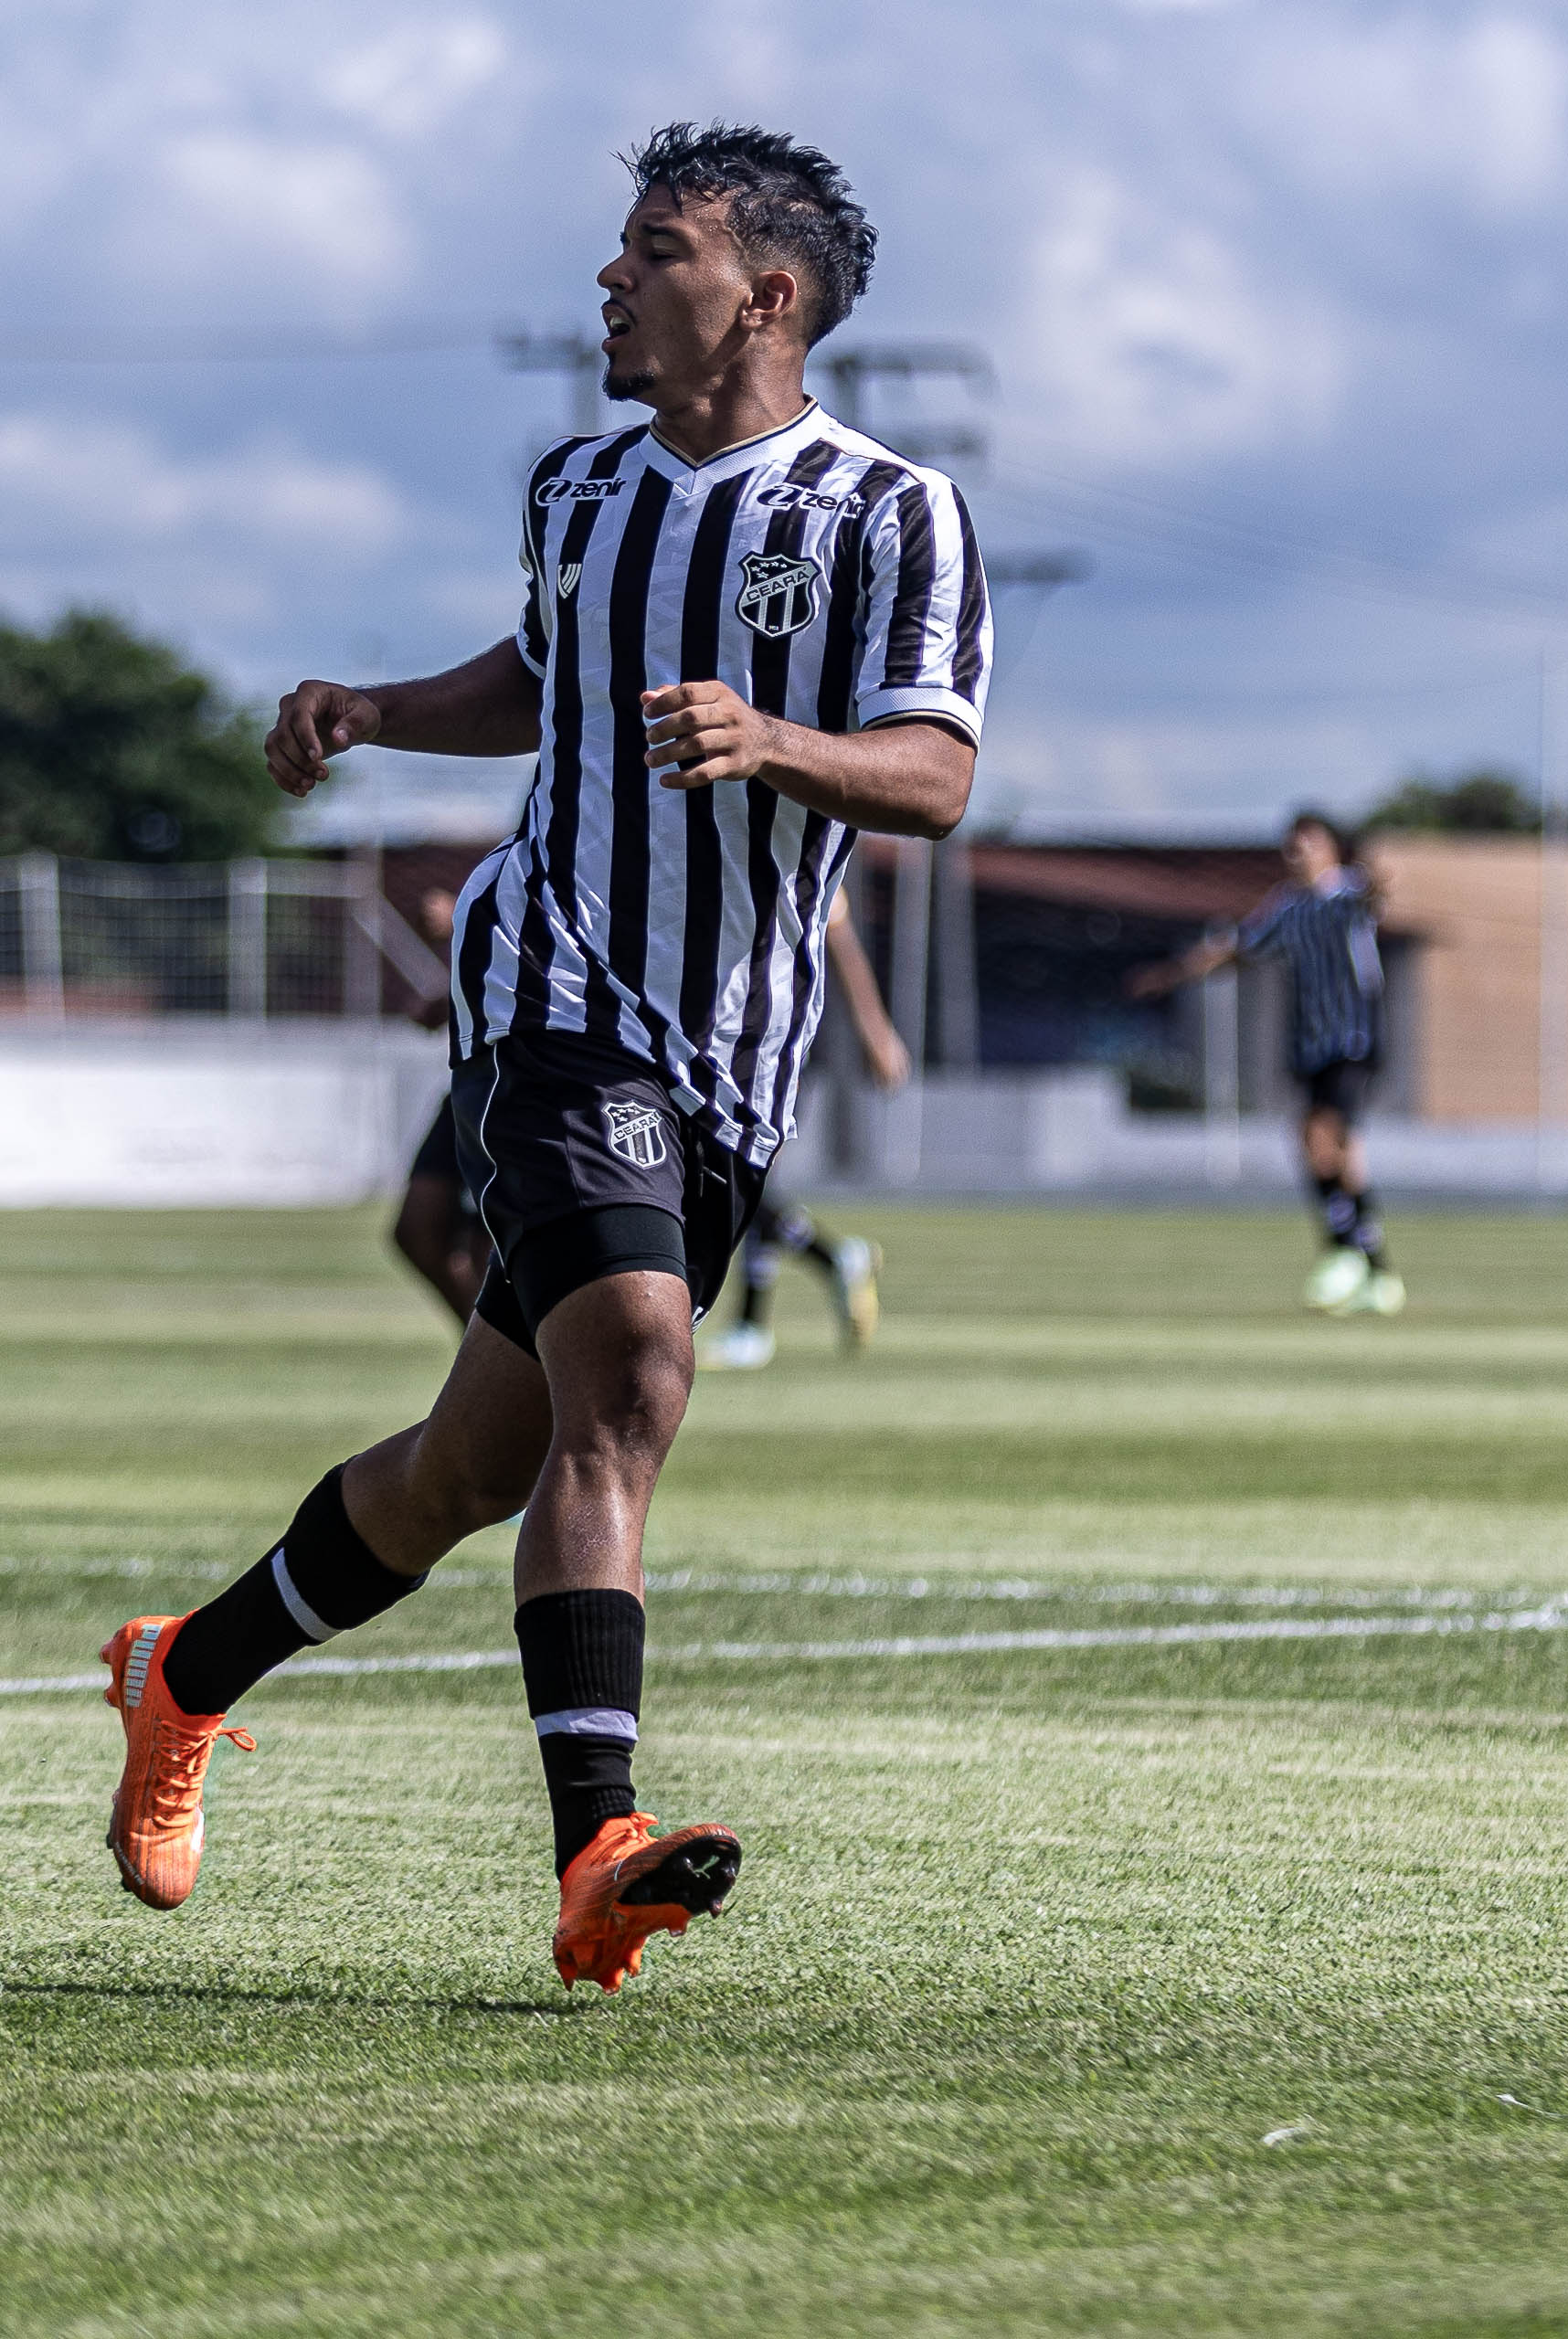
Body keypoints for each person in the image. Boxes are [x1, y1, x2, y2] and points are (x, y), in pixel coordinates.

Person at [100, 123, 988, 1990]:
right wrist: (377, 710)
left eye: (649, 249)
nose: (606, 278)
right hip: (553, 989)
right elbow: (541, 677)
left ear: (768, 294)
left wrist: (776, 741)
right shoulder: (581, 484)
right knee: (638, 1378)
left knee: (462, 1476)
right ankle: (603, 1847)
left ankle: (181, 1675)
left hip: (734, 1049)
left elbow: (936, 773)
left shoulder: (888, 513)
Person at [1131, 810, 1396, 1314]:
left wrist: (1380, 876)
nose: (1298, 854)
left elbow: (1375, 895)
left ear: (1332, 849)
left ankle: (1344, 1255)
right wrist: (1170, 976)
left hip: (1354, 1040)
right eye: (1291, 847)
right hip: (1311, 1043)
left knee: (1324, 1137)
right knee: (1336, 1151)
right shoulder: (1287, 907)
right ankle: (1374, 1268)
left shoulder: (1345, 894)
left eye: (1308, 844)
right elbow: (1237, 949)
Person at [705, 891, 903, 1368]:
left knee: (733, 1175)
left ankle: (757, 1323)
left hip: (769, 1044)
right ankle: (828, 1265)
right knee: (736, 1178)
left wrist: (875, 1031)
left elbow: (842, 940)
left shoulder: (788, 837)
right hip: (712, 1037)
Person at [379, 883, 490, 1325]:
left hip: (520, 1090)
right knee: (416, 1231)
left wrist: (464, 917)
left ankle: (510, 1370)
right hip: (470, 1086)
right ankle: (492, 1358)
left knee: (493, 1247)